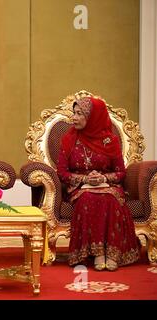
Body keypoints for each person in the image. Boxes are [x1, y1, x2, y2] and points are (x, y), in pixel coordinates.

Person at [57, 96, 140, 271]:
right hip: (80, 187)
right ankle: (97, 253)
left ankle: (112, 253)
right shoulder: (68, 140)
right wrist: (85, 179)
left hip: (107, 186)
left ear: (93, 117)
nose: (74, 118)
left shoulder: (110, 141)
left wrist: (104, 178)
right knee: (88, 199)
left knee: (110, 200)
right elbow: (62, 173)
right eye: (74, 113)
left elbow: (120, 172)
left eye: (80, 114)